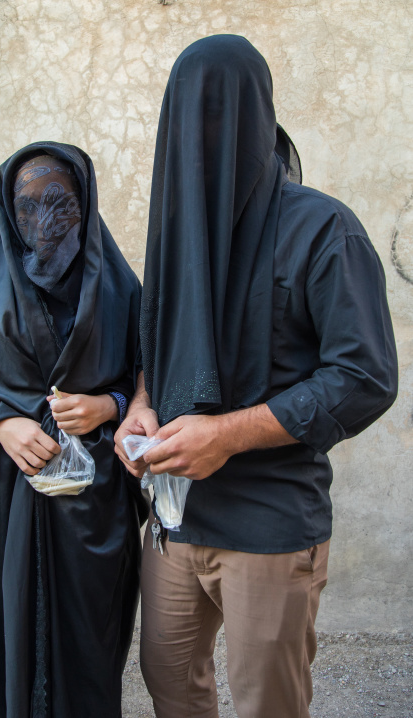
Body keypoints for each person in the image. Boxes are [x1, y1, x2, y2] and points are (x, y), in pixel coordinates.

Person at [114, 35, 398, 718]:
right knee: (172, 685)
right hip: (175, 519)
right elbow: (161, 340)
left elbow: (364, 377)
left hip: (270, 524)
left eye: (218, 112)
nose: (199, 133)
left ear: (257, 116)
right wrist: (142, 404)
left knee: (269, 703)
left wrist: (229, 435)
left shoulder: (325, 230)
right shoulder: (176, 232)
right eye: (184, 114)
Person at [0, 141, 147, 717]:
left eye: (60, 204)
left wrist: (109, 405)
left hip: (89, 514)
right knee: (5, 648)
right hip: (1, 512)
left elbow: (149, 383)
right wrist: (0, 426)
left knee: (87, 653)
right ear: (8, 211)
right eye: (28, 209)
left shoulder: (121, 291)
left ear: (86, 203)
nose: (44, 224)